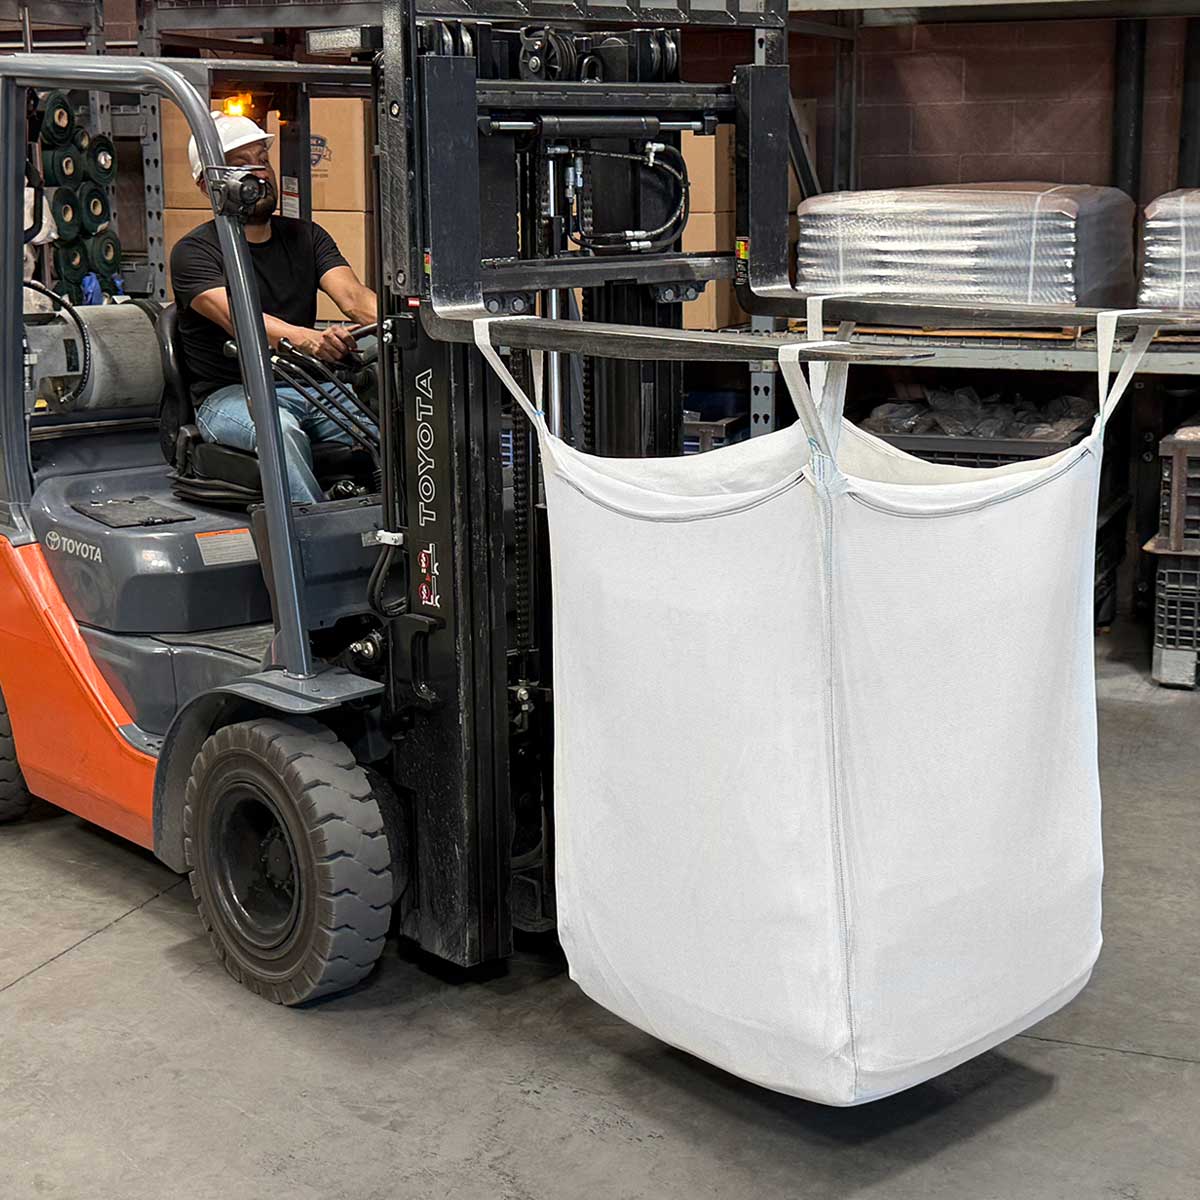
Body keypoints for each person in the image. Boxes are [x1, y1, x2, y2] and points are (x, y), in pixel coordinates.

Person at [169, 111, 378, 502]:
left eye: (262, 160)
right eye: (241, 165)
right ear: (206, 185)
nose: (259, 173)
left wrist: (418, 323)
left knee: (392, 424)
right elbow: (243, 321)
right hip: (230, 397)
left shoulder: (306, 237)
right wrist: (309, 340)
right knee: (278, 428)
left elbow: (354, 299)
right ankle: (310, 545)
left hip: (307, 386)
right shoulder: (194, 253)